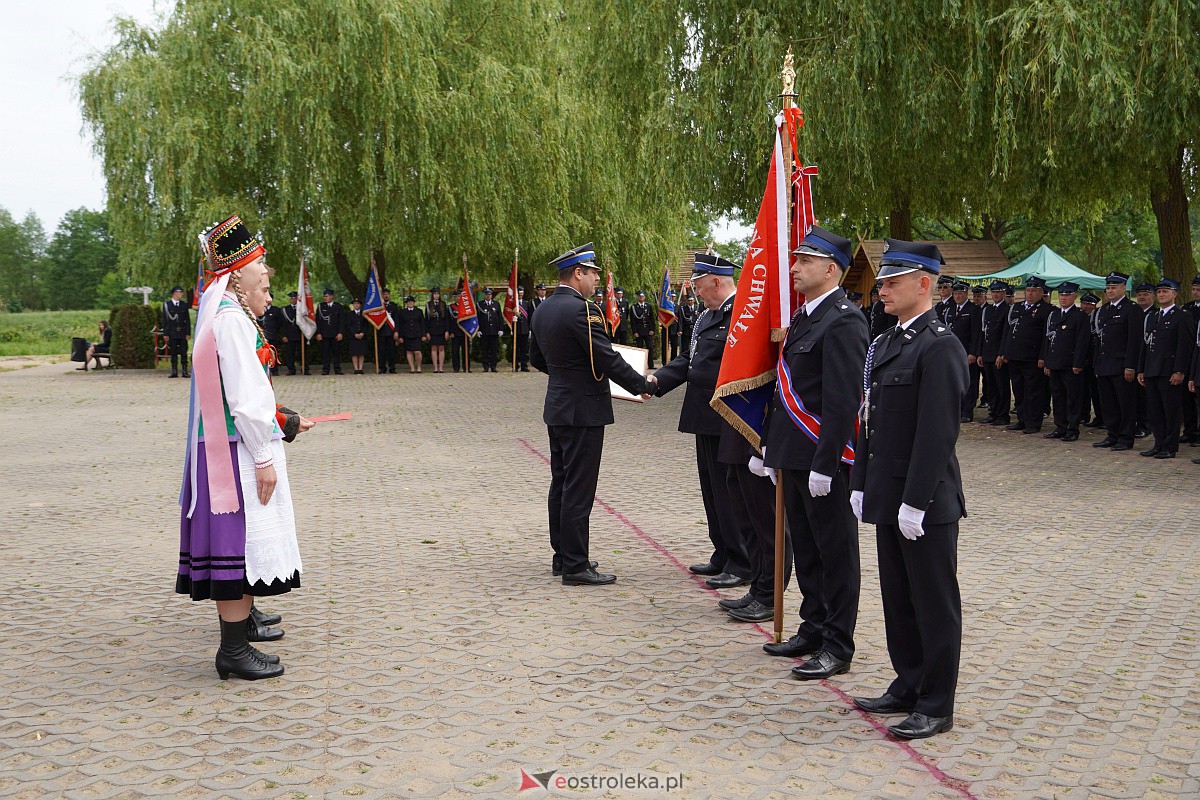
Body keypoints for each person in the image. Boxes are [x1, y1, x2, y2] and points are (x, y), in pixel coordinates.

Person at [176, 214, 314, 681]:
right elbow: (246, 399)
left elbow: (247, 395)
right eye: (261, 269)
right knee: (238, 544)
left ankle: (238, 637)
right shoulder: (232, 321)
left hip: (227, 445)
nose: (266, 277)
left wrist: (279, 423)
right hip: (232, 452)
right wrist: (263, 455)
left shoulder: (225, 315)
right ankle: (232, 651)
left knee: (243, 545)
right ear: (238, 274)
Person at [850, 238, 967, 740]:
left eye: (893, 282)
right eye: (882, 282)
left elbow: (937, 433)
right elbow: (869, 420)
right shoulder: (888, 342)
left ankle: (937, 703)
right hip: (887, 493)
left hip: (925, 500)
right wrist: (859, 482)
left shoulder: (939, 346)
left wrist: (915, 501)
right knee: (898, 599)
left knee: (933, 602)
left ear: (924, 283)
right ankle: (909, 683)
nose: (882, 290)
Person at [762, 226, 867, 679]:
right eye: (795, 259)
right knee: (806, 548)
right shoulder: (805, 316)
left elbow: (843, 401)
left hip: (825, 461)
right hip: (794, 455)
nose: (794, 268)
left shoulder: (844, 319)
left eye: (804, 261)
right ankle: (814, 626)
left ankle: (838, 644)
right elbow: (785, 388)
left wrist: (826, 464)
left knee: (835, 553)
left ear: (831, 269)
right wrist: (769, 446)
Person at [529, 242, 655, 586]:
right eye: (594, 273)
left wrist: (566, 374)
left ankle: (562, 555)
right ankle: (575, 565)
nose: (597, 280)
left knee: (561, 483)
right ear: (578, 273)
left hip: (557, 405)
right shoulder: (583, 311)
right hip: (583, 409)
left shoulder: (543, 309)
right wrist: (640, 384)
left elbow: (536, 359)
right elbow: (607, 358)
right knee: (579, 489)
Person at [653, 253, 751, 592]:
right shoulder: (707, 315)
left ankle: (742, 561)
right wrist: (657, 381)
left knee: (729, 492)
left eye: (698, 283)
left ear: (716, 281)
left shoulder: (741, 313)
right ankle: (723, 552)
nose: (694, 289)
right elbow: (689, 359)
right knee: (711, 488)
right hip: (703, 414)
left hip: (727, 415)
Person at [1138, 278, 1196, 459]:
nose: (1162, 295)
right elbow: (1145, 344)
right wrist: (1141, 368)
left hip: (1169, 370)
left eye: (1166, 291)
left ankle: (1170, 446)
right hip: (1152, 369)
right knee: (1154, 410)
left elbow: (1184, 346)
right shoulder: (1153, 316)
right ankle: (1158, 443)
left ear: (1175, 294)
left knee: (1170, 410)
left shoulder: (1182, 316)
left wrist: (1179, 370)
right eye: (1160, 292)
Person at [1092, 273, 1141, 450]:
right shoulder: (1104, 310)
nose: (1110, 290)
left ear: (1123, 288)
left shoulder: (1131, 309)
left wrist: (1130, 365)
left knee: (1125, 403)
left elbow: (1134, 340)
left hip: (1121, 365)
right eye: (1108, 287)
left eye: (1114, 287)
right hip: (1104, 363)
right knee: (1108, 403)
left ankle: (1126, 437)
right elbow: (1099, 339)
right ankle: (1112, 434)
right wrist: (1096, 364)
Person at [1001, 276, 1052, 433]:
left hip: (1032, 358)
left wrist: (1043, 357)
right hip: (1015, 356)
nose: (1030, 293)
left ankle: (1033, 422)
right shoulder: (1016, 308)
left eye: (1034, 291)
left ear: (1041, 293)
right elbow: (1007, 332)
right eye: (1028, 290)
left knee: (1033, 392)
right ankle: (1022, 419)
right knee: (1019, 390)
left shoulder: (1047, 310)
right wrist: (1004, 352)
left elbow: (1046, 336)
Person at [1040, 282, 1090, 441]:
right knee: (1058, 396)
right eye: (1061, 295)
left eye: (1067, 295)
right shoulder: (1054, 315)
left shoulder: (1079, 316)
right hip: (1055, 363)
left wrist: (1078, 363)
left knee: (1073, 398)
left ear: (1075, 296)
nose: (1063, 298)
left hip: (1070, 364)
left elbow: (1082, 342)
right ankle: (1060, 426)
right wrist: (1047, 361)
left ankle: (1072, 428)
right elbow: (1048, 340)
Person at [945, 281, 981, 422]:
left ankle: (967, 411)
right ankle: (957, 409)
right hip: (952, 352)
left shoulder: (973, 310)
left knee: (969, 382)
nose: (958, 296)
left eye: (960, 293)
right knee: (954, 382)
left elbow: (976, 333)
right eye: (955, 293)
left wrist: (973, 352)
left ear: (966, 294)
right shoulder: (951, 309)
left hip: (966, 351)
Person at [976, 281, 1011, 425]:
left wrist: (1002, 354)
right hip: (987, 353)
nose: (995, 294)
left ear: (1003, 293)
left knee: (1001, 385)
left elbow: (1005, 334)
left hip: (998, 354)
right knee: (990, 385)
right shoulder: (988, 310)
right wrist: (980, 353)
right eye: (993, 292)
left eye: (998, 292)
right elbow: (983, 333)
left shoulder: (1007, 309)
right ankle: (994, 412)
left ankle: (1003, 414)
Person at [1179, 276, 1200, 444]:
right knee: (1186, 398)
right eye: (1193, 289)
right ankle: (1190, 429)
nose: (1195, 292)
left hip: (1197, 355)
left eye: (1198, 290)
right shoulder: (1186, 308)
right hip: (1188, 356)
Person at [1079, 292, 1104, 427]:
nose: (1086, 306)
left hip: (1094, 359)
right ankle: (1084, 414)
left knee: (1097, 391)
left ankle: (1101, 416)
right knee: (1083, 391)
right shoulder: (1078, 317)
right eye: (1084, 303)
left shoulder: (1097, 317)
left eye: (1089, 304)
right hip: (1082, 360)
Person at [161, 285, 192, 378]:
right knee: (173, 352)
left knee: (183, 352)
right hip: (172, 332)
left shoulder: (184, 305)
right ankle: (174, 371)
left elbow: (187, 319)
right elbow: (165, 321)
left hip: (182, 332)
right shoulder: (167, 305)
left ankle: (184, 370)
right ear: (175, 293)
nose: (181, 294)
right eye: (180, 292)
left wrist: (188, 332)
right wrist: (166, 334)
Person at [315, 287, 344, 375]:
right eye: (324, 296)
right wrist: (318, 333)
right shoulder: (321, 306)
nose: (325, 298)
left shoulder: (338, 306)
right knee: (325, 353)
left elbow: (341, 321)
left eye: (327, 296)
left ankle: (337, 369)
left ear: (332, 297)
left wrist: (340, 332)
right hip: (324, 334)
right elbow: (318, 321)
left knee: (336, 352)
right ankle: (325, 369)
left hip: (335, 333)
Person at [397, 295, 428, 373]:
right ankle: (412, 368)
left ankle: (419, 366)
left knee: (417, 351)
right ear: (406, 303)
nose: (410, 303)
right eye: (408, 302)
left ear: (414, 303)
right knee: (409, 351)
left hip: (417, 334)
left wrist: (423, 334)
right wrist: (400, 336)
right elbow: (400, 324)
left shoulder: (419, 311)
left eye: (411, 302)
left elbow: (422, 324)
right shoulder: (402, 312)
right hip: (406, 334)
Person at [425, 287, 452, 373]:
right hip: (432, 330)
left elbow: (447, 319)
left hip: (442, 329)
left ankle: (441, 367)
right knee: (433, 348)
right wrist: (427, 332)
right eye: (434, 294)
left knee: (441, 348)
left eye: (437, 294)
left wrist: (447, 331)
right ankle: (435, 368)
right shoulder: (428, 305)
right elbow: (426, 320)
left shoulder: (443, 304)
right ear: (432, 295)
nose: (436, 295)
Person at [477, 287, 504, 372]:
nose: (488, 296)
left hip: (494, 331)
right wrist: (478, 329)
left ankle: (493, 366)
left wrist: (501, 329)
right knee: (484, 350)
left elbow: (500, 317)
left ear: (491, 295)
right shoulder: (479, 304)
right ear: (484, 295)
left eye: (489, 294)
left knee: (494, 350)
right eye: (486, 294)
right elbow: (477, 318)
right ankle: (485, 366)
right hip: (484, 331)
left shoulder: (496, 304)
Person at [376, 288, 400, 374]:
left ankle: (392, 367)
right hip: (381, 331)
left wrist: (396, 331)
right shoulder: (378, 307)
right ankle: (382, 368)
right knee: (381, 351)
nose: (386, 295)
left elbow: (397, 319)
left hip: (391, 332)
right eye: (384, 294)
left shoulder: (393, 306)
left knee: (391, 351)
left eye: (387, 294)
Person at [630, 290, 656, 368]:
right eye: (640, 296)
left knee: (650, 347)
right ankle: (640, 365)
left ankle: (650, 365)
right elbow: (633, 321)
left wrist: (652, 329)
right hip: (639, 331)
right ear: (637, 297)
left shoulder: (648, 306)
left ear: (644, 297)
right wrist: (635, 331)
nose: (641, 297)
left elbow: (652, 319)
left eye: (642, 296)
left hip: (648, 330)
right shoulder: (634, 307)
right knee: (640, 348)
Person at [343, 297, 368, 374]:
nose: (356, 305)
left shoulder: (364, 313)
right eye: (355, 304)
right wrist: (354, 334)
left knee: (361, 352)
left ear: (360, 305)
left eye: (358, 304)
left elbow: (366, 325)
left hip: (362, 336)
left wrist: (362, 333)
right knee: (354, 353)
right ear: (353, 305)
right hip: (353, 336)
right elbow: (348, 325)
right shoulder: (349, 314)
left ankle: (360, 368)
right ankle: (356, 368)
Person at [279, 291, 302, 375]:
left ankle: (305, 368)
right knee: (290, 354)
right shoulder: (285, 309)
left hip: (300, 335)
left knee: (302, 353)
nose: (293, 300)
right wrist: (284, 335)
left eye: (294, 298)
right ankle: (291, 370)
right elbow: (282, 324)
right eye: (291, 298)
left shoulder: (301, 308)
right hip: (289, 335)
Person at [513, 286, 534, 371]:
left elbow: (529, 317)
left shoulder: (526, 303)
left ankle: (524, 365)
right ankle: (515, 365)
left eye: (521, 293)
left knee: (524, 349)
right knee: (516, 349)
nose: (520, 295)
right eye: (519, 294)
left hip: (525, 329)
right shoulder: (513, 304)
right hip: (516, 329)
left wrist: (529, 329)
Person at [677, 290, 698, 357]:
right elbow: (681, 320)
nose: (690, 302)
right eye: (689, 300)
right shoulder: (683, 309)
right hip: (686, 329)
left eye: (691, 300)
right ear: (687, 301)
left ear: (694, 300)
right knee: (685, 347)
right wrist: (680, 330)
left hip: (694, 329)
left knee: (694, 346)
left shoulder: (697, 308)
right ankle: (684, 360)